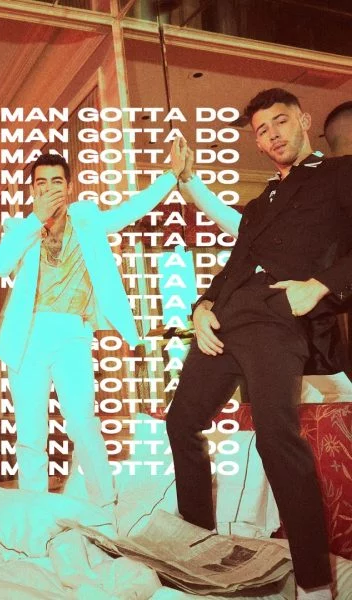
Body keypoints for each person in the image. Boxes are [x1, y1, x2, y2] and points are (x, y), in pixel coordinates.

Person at [166, 88, 352, 600]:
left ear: (304, 121)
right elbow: (234, 267)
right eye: (262, 130)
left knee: (275, 439)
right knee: (180, 422)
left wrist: (322, 286)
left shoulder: (340, 173)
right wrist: (201, 307)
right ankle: (199, 550)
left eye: (280, 121)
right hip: (225, 320)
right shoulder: (258, 204)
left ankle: (314, 584)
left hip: (276, 318)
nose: (272, 135)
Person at [0, 141, 186, 510]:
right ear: (33, 190)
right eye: (41, 182)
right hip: (28, 335)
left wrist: (170, 176)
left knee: (83, 420)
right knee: (31, 433)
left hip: (72, 332)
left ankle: (105, 505)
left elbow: (130, 211)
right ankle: (35, 513)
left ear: (69, 186)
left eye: (56, 181)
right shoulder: (18, 226)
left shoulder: (87, 219)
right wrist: (35, 219)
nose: (50, 188)